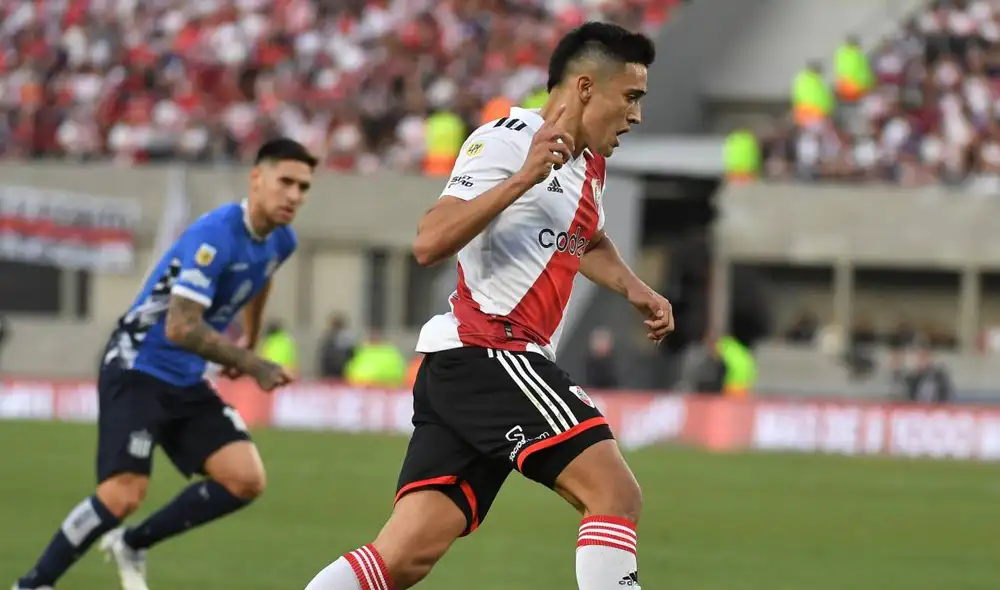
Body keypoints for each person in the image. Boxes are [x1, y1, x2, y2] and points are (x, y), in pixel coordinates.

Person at [304, 22, 671, 590]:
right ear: (584, 87)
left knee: (402, 557)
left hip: (470, 369)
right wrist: (523, 178)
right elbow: (429, 241)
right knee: (614, 494)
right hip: (492, 351)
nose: (636, 115)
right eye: (630, 97)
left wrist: (634, 289)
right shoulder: (507, 139)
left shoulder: (589, 164)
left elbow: (588, 238)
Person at [13, 138, 317, 590]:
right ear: (256, 178)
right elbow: (180, 327)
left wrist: (250, 337)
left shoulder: (282, 241)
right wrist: (254, 363)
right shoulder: (215, 234)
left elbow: (262, 278)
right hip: (138, 365)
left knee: (245, 479)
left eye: (303, 187)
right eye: (285, 181)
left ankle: (132, 543)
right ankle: (33, 584)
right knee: (122, 494)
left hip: (186, 377)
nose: (294, 195)